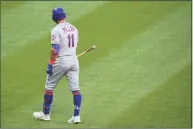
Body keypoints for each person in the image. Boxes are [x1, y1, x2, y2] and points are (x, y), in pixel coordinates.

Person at [33, 7, 82, 124]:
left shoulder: (56, 30)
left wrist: (50, 64)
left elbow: (55, 50)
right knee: (76, 89)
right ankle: (76, 116)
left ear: (54, 17)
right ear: (64, 16)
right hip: (74, 60)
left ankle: (45, 114)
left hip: (61, 61)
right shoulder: (74, 28)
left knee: (49, 86)